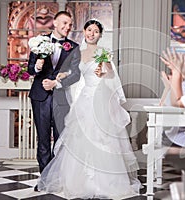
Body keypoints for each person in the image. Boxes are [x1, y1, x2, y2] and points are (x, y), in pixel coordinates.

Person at [37, 19, 141, 199]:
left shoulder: (103, 52)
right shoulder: (78, 52)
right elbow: (75, 74)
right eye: (89, 30)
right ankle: (79, 181)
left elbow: (110, 75)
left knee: (102, 138)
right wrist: (63, 74)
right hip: (85, 97)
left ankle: (104, 183)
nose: (92, 34)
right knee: (80, 137)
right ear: (84, 31)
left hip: (100, 97)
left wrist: (105, 68)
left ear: (100, 35)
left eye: (96, 31)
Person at [27, 10, 81, 183]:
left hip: (61, 99)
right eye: (64, 23)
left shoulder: (73, 47)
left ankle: (58, 180)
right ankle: (45, 180)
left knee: (60, 141)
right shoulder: (39, 41)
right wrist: (37, 66)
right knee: (43, 140)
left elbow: (76, 74)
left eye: (70, 24)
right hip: (40, 96)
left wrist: (56, 83)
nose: (68, 27)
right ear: (55, 23)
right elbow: (30, 69)